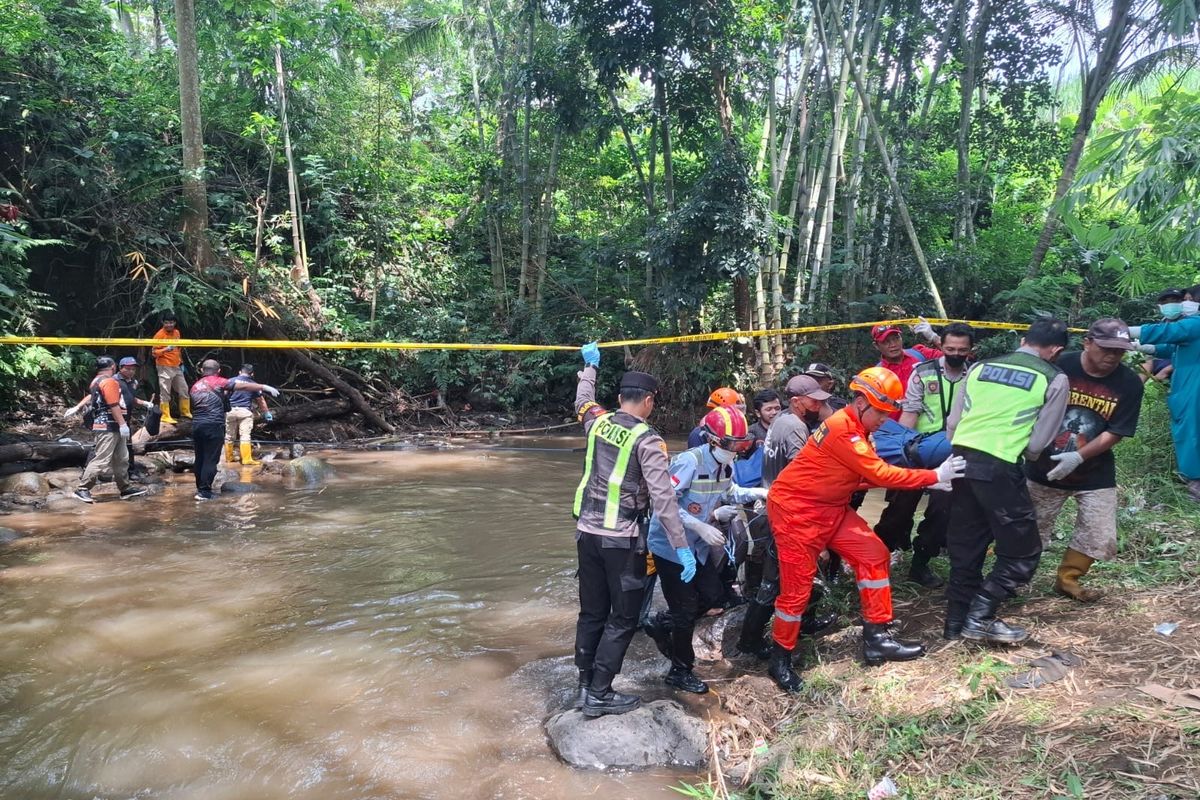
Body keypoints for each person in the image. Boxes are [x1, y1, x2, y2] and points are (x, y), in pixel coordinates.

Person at [764, 367, 965, 691]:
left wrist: (931, 482)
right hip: (796, 514)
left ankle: (877, 636)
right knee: (795, 592)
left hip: (831, 508)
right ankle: (780, 659)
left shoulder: (857, 427)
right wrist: (932, 476)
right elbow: (881, 474)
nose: (886, 419)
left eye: (889, 413)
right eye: (882, 412)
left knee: (874, 554)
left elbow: (861, 476)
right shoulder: (844, 431)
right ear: (861, 402)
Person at [571, 342, 687, 717]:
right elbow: (664, 498)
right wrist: (681, 547)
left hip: (586, 535)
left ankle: (585, 683)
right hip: (621, 542)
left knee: (591, 612)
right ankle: (600, 695)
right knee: (622, 618)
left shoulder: (597, 421)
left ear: (621, 397)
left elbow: (583, 400)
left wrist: (590, 368)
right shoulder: (649, 440)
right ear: (649, 401)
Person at [944, 318, 1070, 643]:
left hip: (959, 461)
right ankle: (981, 616)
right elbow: (1036, 445)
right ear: (1055, 350)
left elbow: (954, 421)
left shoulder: (980, 367)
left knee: (966, 542)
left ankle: (955, 623)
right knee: (1023, 551)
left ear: (1025, 339)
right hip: (999, 464)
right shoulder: (1054, 378)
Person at [645, 406, 765, 695]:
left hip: (698, 547)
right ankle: (680, 670)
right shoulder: (689, 462)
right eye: (730, 444)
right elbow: (664, 504)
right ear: (712, 440)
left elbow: (730, 491)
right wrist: (699, 526)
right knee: (686, 611)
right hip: (672, 547)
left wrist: (762, 493)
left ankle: (661, 623)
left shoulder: (726, 464)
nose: (735, 450)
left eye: (741, 444)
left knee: (715, 597)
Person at [1025, 318, 1143, 602]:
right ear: (1087, 342)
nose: (1112, 356)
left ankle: (1068, 579)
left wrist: (1078, 456)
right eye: (1106, 348)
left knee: (1099, 531)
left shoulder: (1128, 384)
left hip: (1094, 469)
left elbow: (1117, 431)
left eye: (1119, 351)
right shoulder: (1058, 367)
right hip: (1043, 465)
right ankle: (1016, 577)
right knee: (1031, 527)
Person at [875, 322, 976, 587]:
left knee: (942, 512)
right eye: (950, 348)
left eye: (962, 350)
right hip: (919, 450)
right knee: (900, 507)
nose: (955, 353)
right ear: (940, 346)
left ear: (970, 350)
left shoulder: (976, 376)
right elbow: (910, 413)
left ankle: (921, 564)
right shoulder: (923, 372)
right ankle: (876, 558)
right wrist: (898, 452)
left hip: (955, 453)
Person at [1130, 285, 1200, 502]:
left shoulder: (1195, 324)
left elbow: (1171, 332)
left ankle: (1196, 484)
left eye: (1188, 299)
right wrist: (1146, 348)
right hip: (1188, 388)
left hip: (1194, 391)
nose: (1183, 304)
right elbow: (1175, 346)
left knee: (1192, 433)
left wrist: (1121, 331)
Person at [190, 360, 279, 501]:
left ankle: (200, 489)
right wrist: (263, 386)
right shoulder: (219, 382)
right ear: (218, 371)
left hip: (196, 425)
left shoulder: (195, 386)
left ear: (202, 370)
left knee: (200, 458)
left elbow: (193, 408)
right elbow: (243, 386)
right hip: (214, 424)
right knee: (210, 460)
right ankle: (204, 492)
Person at [72, 357, 148, 503]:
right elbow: (113, 404)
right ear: (113, 366)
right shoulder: (109, 381)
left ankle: (125, 488)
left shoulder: (96, 380)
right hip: (109, 426)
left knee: (122, 459)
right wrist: (122, 424)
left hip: (113, 426)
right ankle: (82, 489)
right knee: (101, 459)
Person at [761, 375, 832, 485]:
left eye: (820, 401)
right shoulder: (795, 427)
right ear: (795, 402)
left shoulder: (780, 417)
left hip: (769, 492)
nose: (819, 406)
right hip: (785, 497)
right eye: (814, 402)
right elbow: (800, 471)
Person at [224, 364, 275, 466]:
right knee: (245, 436)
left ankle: (229, 458)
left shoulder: (230, 381)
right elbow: (260, 400)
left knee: (229, 436)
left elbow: (224, 395)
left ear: (239, 372)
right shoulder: (253, 384)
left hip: (230, 411)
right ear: (252, 374)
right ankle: (246, 459)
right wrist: (266, 413)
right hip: (244, 411)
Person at [152, 312, 189, 424]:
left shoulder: (177, 332)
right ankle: (165, 415)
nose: (169, 325)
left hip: (176, 366)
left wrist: (181, 361)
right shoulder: (159, 335)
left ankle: (185, 412)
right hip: (164, 366)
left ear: (175, 323)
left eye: (171, 322)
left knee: (184, 389)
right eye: (167, 322)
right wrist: (165, 349)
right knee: (165, 391)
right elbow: (154, 353)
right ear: (163, 323)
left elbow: (178, 348)